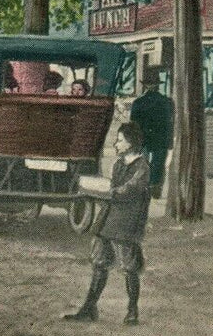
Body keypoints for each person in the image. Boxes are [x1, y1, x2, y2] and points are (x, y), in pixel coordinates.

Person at [64, 123, 151, 325]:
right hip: (108, 219)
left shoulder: (142, 167)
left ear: (131, 143)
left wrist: (107, 192)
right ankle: (89, 308)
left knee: (129, 266)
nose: (116, 143)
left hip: (127, 222)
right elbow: (113, 187)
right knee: (99, 262)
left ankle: (132, 311)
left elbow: (129, 190)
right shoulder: (119, 164)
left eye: (120, 140)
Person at [129, 71, 173, 200]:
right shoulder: (166, 101)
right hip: (160, 137)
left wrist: (134, 140)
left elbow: (134, 123)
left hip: (144, 138)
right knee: (158, 163)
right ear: (158, 85)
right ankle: (155, 188)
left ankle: (144, 188)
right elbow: (170, 123)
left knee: (144, 163)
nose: (151, 86)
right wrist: (169, 140)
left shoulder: (138, 102)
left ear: (145, 86)